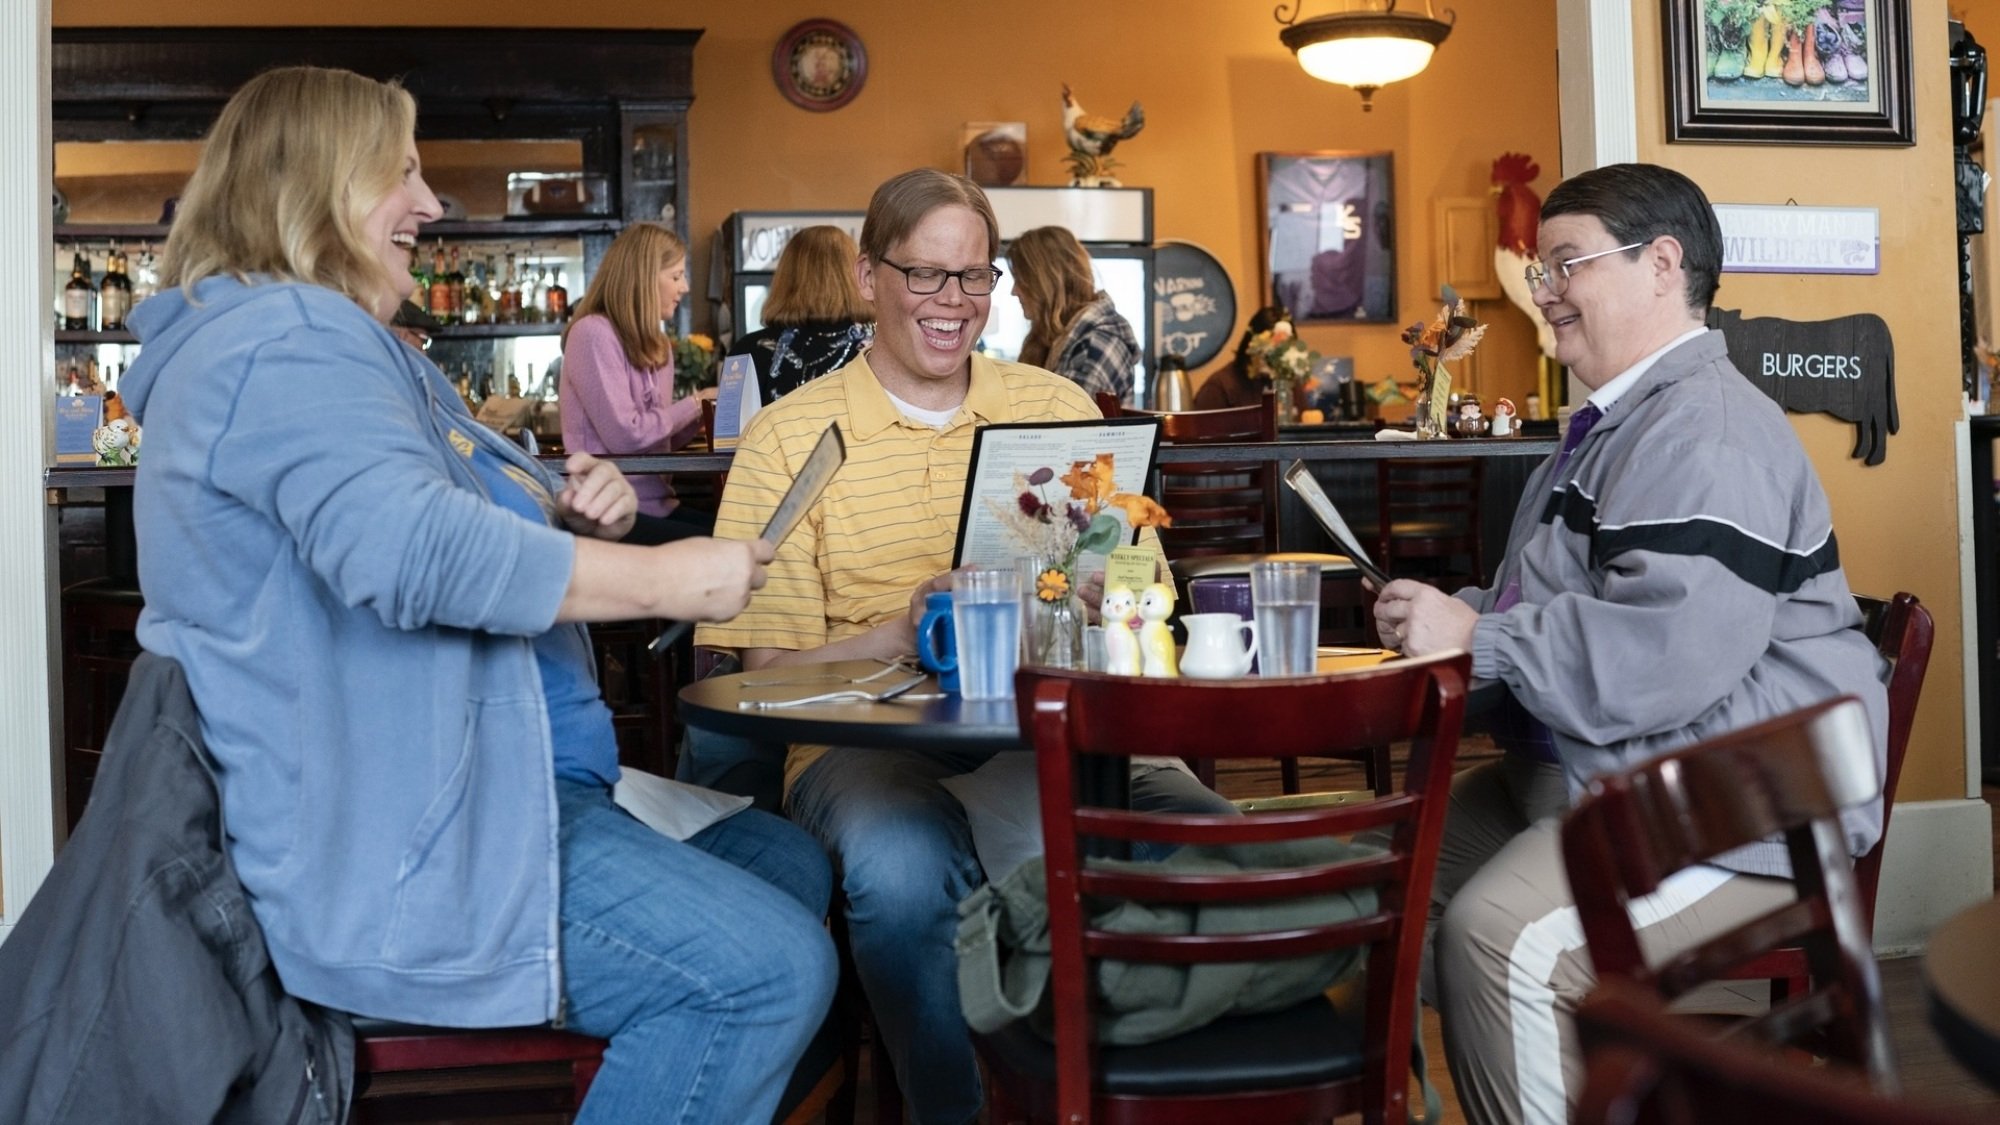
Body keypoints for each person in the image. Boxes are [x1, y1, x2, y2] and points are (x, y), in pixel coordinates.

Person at [119, 66, 834, 1124]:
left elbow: (407, 508)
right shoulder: (286, 342)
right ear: (313, 187)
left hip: (495, 790)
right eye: (399, 173)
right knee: (767, 972)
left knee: (780, 859)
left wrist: (556, 507)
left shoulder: (326, 342)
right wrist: (667, 576)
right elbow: (412, 551)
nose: (431, 204)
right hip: (418, 837)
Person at [693, 168, 1234, 1125]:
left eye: (976, 278)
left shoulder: (1059, 410)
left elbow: (1151, 597)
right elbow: (763, 675)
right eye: (926, 276)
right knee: (901, 874)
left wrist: (1117, 588)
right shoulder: (788, 437)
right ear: (867, 277)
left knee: (1203, 833)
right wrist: (906, 625)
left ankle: (1141, 1096)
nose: (955, 305)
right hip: (865, 748)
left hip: (1060, 725)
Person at [1369, 163, 1889, 1125]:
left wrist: (1481, 637)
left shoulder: (1709, 431)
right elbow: (1557, 599)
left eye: (1566, 263)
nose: (1545, 291)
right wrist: (1455, 618)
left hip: (1740, 795)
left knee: (1497, 940)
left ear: (1661, 265)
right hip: (1620, 768)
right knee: (1383, 875)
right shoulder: (1616, 424)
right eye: (1542, 269)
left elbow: (1666, 654)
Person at [560, 222, 716, 535]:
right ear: (643, 279)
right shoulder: (592, 333)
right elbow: (627, 437)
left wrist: (707, 414)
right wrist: (696, 403)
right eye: (676, 276)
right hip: (607, 515)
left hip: (656, 505)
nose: (684, 287)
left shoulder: (658, 347)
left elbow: (659, 442)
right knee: (729, 548)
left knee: (742, 539)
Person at [724, 224, 872, 403]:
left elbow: (728, 427)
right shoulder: (878, 349)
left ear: (784, 279)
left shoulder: (745, 351)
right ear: (856, 276)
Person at [1009, 224, 1139, 403]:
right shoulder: (1052, 339)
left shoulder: (1094, 345)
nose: (1014, 291)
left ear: (1046, 282)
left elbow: (1069, 427)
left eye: (1020, 280)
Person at [1192, 303, 1288, 409]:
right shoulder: (1220, 388)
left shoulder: (1289, 382)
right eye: (1271, 352)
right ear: (1252, 345)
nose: (1278, 359)